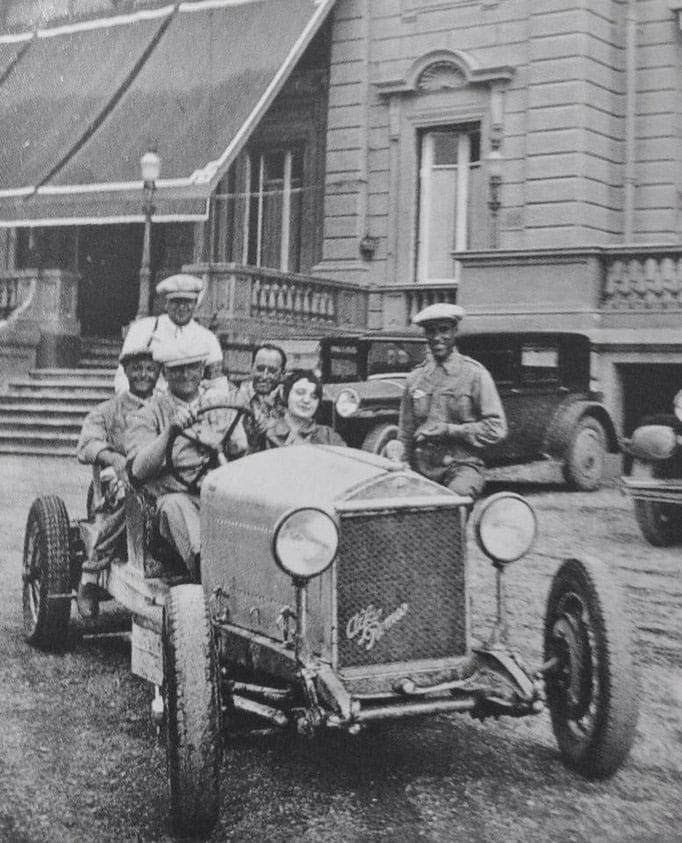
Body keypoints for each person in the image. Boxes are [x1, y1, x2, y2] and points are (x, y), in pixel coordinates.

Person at [126, 339, 247, 581]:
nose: (185, 375)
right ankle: (205, 569)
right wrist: (170, 432)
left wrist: (235, 437)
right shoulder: (147, 414)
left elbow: (239, 451)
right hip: (172, 500)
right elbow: (137, 471)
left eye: (192, 367)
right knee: (175, 505)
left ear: (202, 370)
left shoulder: (220, 406)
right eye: (177, 369)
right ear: (165, 373)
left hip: (217, 494)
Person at [75, 345, 161, 618]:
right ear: (125, 371)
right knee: (134, 496)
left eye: (150, 369)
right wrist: (113, 458)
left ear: (159, 372)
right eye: (137, 369)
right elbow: (86, 445)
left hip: (160, 477)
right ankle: (91, 574)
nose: (143, 375)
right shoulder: (108, 410)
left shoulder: (165, 406)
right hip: (118, 481)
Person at [391, 303, 507, 500]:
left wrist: (450, 430)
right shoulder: (415, 378)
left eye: (444, 330)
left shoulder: (475, 375)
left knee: (455, 499)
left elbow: (497, 428)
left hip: (462, 466)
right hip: (423, 468)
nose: (437, 337)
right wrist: (401, 465)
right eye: (431, 331)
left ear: (455, 332)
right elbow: (406, 431)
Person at [114, 273, 227, 394]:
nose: (182, 307)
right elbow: (123, 375)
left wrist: (202, 403)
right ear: (166, 304)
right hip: (150, 401)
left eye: (187, 302)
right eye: (176, 301)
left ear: (195, 304)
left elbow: (217, 384)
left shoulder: (207, 338)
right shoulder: (145, 329)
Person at [263, 369, 346, 448]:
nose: (306, 400)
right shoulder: (267, 430)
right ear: (285, 395)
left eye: (314, 397)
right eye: (300, 393)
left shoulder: (328, 436)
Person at [235, 342, 287, 450]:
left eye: (272, 371)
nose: (264, 376)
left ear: (282, 374)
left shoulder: (288, 402)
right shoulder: (234, 398)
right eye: (260, 369)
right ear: (251, 368)